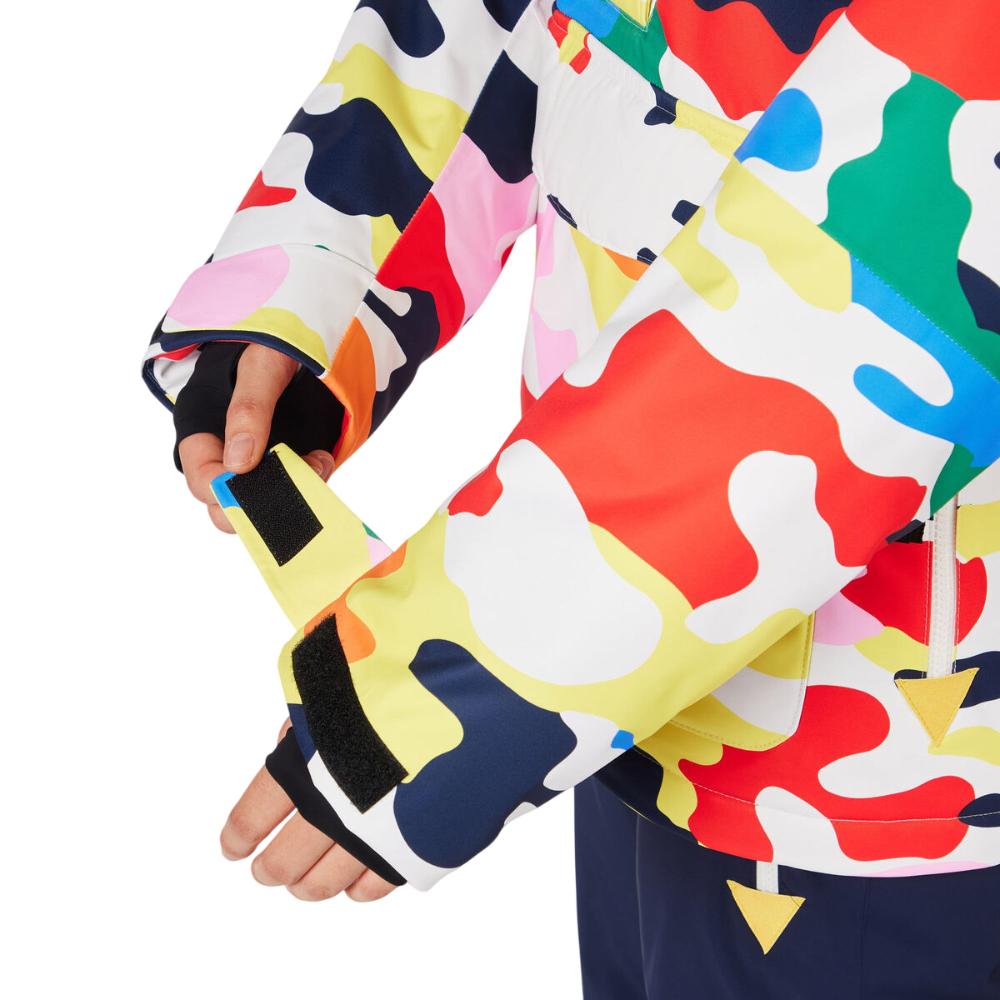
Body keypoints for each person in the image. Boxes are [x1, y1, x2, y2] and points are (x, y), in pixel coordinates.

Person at [144, 1, 1000, 995]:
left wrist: (445, 688)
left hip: (894, 783)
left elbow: (895, 254)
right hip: (629, 699)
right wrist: (311, 288)